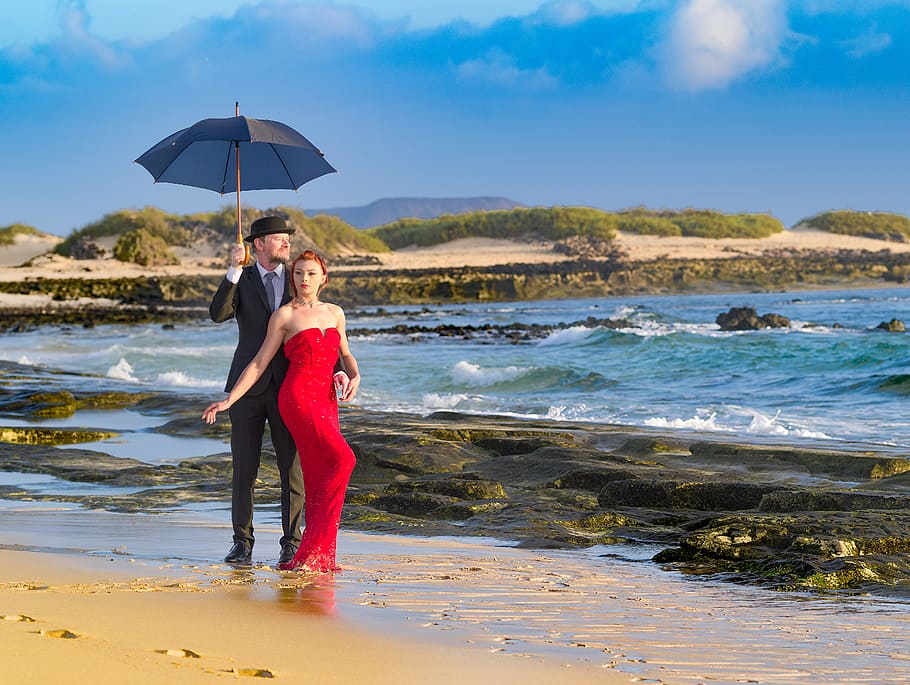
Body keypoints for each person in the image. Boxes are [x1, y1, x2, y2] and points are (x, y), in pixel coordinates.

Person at [209, 216, 354, 566]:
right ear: (258, 244)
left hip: (294, 387)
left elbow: (318, 334)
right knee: (245, 467)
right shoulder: (241, 278)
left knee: (292, 469)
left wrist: (337, 371)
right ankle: (241, 542)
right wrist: (232, 269)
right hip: (248, 383)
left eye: (287, 238)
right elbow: (218, 314)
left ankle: (291, 541)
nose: (285, 243)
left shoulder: (299, 278)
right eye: (278, 238)